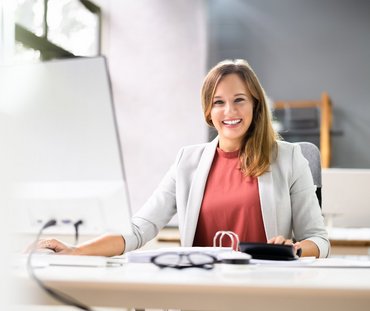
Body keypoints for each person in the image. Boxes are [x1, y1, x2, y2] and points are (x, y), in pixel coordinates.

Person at [37, 59, 330, 258]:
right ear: (208, 111)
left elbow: (319, 239)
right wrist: (76, 251)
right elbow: (139, 229)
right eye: (219, 102)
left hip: (264, 291)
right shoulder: (187, 161)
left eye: (239, 99)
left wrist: (295, 249)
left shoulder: (289, 158)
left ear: (255, 105)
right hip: (201, 291)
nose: (230, 111)